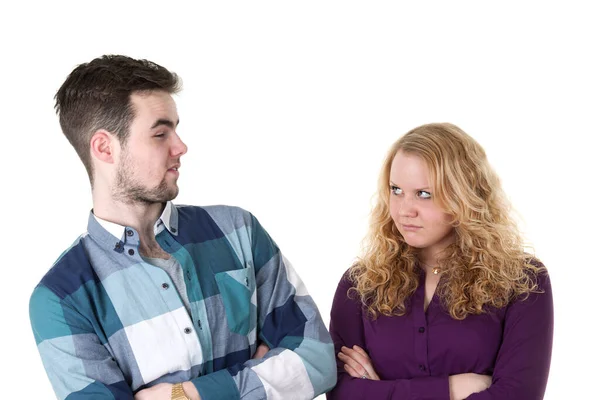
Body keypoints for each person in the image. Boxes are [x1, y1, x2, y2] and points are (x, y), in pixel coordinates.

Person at [29, 54, 336, 400]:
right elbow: (293, 372)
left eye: (176, 129)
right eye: (160, 133)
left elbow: (317, 359)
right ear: (104, 147)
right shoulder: (60, 298)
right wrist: (264, 376)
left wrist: (186, 394)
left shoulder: (239, 231)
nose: (181, 147)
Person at [327, 123, 553, 400]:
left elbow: (519, 395)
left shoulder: (522, 281)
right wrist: (451, 389)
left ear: (465, 196)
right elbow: (341, 393)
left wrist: (380, 392)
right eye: (396, 190)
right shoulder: (360, 283)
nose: (404, 210)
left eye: (424, 194)